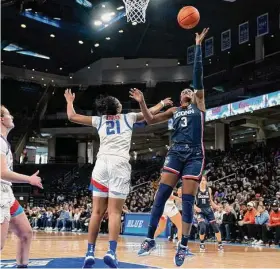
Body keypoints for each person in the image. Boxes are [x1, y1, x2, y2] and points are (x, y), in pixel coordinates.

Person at [64, 89, 173, 268]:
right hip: (119, 165)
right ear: (116, 106)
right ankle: (111, 252)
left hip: (101, 165)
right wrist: (161, 103)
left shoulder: (99, 120)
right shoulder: (128, 118)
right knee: (114, 213)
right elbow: (150, 113)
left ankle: (89, 252)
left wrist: (69, 101)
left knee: (96, 213)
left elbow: (72, 116)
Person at [130, 28, 209, 267]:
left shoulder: (200, 106)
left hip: (195, 154)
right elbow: (150, 120)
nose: (188, 90)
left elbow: (198, 76)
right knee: (161, 196)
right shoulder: (174, 111)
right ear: (180, 96)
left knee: (186, 202)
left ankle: (183, 245)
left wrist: (197, 46)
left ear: (194, 96)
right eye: (184, 90)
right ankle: (149, 239)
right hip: (175, 152)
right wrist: (143, 102)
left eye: (190, 90)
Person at [0, 105, 43, 268]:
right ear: (1, 119)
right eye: (9, 114)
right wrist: (28, 179)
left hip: (7, 193)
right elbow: (2, 173)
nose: (12, 117)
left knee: (25, 233)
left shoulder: (4, 141)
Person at [194, 176, 223, 252]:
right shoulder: (195, 189)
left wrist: (216, 206)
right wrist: (195, 207)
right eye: (201, 180)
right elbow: (190, 200)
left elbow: (210, 201)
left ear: (206, 182)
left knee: (215, 227)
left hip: (209, 210)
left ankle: (220, 244)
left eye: (204, 180)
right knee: (203, 227)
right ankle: (202, 243)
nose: (202, 182)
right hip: (200, 211)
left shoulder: (209, 189)